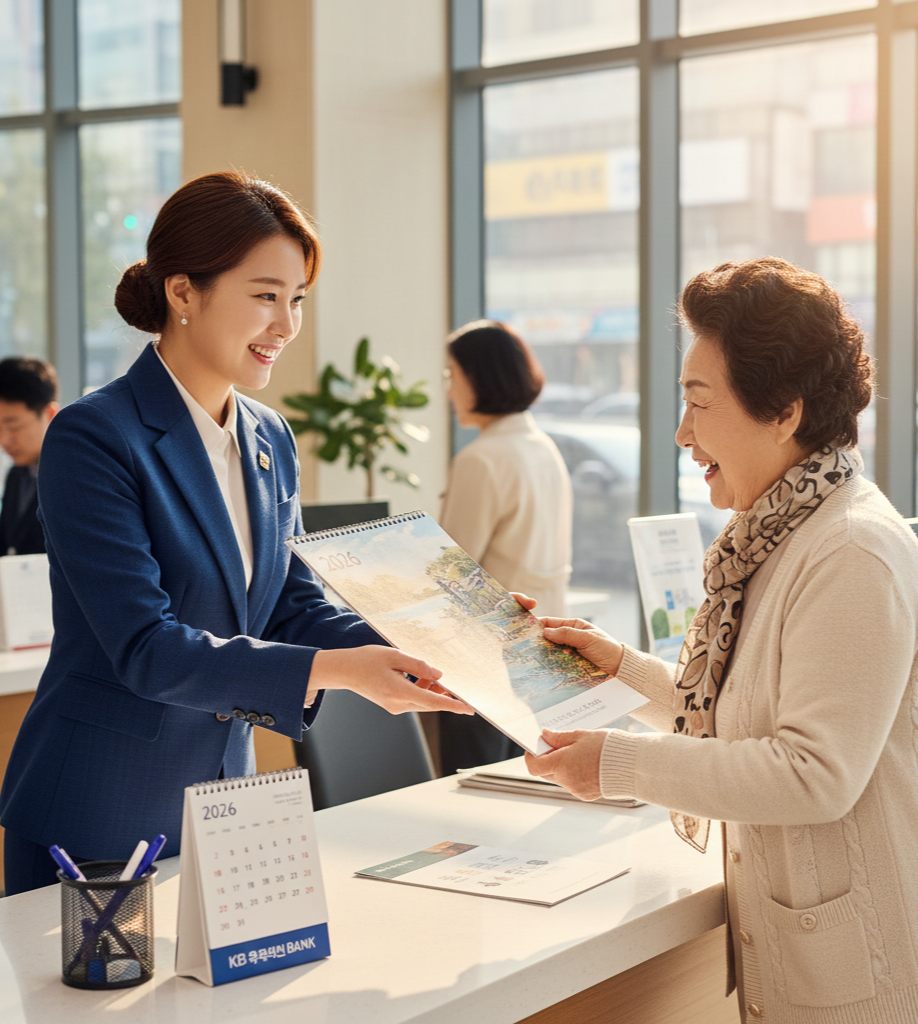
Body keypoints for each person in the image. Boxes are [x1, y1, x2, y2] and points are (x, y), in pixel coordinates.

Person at [0, 171, 472, 895]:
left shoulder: (268, 438)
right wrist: (345, 672)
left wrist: (424, 643)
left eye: (297, 301)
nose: (285, 325)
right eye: (264, 296)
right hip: (96, 819)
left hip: (223, 806)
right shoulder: (96, 436)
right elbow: (145, 649)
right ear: (183, 292)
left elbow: (289, 602)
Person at [523, 257, 918, 1023]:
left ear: (785, 412)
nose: (681, 434)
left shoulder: (851, 552)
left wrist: (616, 765)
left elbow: (812, 773)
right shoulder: (783, 533)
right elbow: (747, 716)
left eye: (698, 404)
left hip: (858, 980)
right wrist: (625, 672)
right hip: (806, 956)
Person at [438, 320, 572, 774]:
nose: (449, 390)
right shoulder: (542, 447)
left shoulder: (482, 458)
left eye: (451, 375)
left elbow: (451, 568)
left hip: (487, 656)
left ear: (479, 377)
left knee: (471, 781)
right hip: (542, 652)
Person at [0, 357, 59, 556]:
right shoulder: (16, 474)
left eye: (13, 426)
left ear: (50, 413)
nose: (4, 440)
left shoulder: (74, 476)